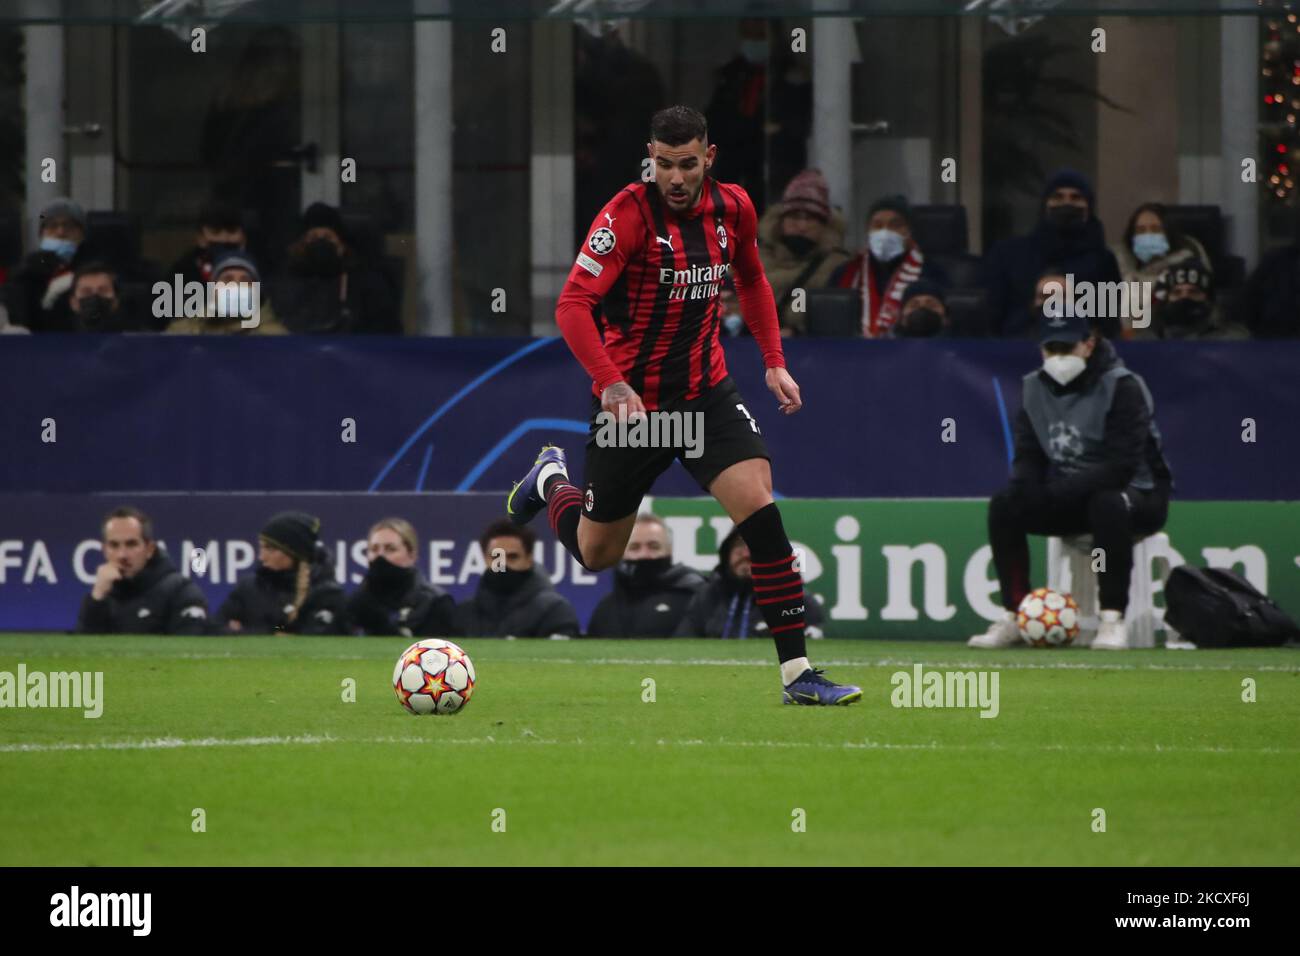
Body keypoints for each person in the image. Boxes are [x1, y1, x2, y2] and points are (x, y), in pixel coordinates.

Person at [505, 105, 859, 704]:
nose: (674, 176)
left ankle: (799, 677)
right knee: (597, 554)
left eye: (686, 164)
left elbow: (750, 278)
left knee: (762, 515)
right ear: (651, 157)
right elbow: (572, 306)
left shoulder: (736, 208)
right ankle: (552, 482)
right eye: (663, 164)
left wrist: (773, 360)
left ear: (708, 159)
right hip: (633, 408)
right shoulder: (624, 217)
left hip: (705, 396)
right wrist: (612, 383)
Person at [968, 311, 1174, 651]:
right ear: (1041, 350)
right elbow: (1029, 455)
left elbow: (1120, 466)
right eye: (1053, 349)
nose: (1060, 357)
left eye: (1068, 347)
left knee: (1107, 503)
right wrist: (1026, 489)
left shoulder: (1123, 386)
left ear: (1089, 344)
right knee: (1006, 505)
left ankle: (1112, 617)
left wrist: (1057, 492)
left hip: (1139, 494)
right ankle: (1015, 612)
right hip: (1072, 494)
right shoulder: (1034, 388)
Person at [982, 169, 1121, 338]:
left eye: (1076, 197)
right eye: (1058, 197)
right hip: (1016, 351)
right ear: (1045, 205)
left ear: (1089, 207)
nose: (1066, 204)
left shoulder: (1103, 260)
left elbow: (1109, 323)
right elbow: (993, 319)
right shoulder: (1008, 254)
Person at [77, 507, 209, 635]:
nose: (122, 555)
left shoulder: (180, 591)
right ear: (104, 550)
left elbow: (189, 649)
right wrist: (97, 598)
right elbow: (81, 653)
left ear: (149, 549)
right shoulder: (100, 597)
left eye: (131, 544)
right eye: (114, 545)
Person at [675, 525, 824, 639]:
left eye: (755, 545)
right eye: (739, 545)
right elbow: (684, 645)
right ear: (727, 553)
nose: (746, 553)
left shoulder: (796, 599)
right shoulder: (707, 595)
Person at [831, 195, 949, 338]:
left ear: (910, 232)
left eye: (895, 225)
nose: (885, 232)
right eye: (877, 225)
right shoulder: (845, 273)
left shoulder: (932, 273)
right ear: (868, 232)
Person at [273, 202, 400, 334]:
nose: (320, 243)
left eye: (328, 237)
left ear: (342, 247)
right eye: (313, 237)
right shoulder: (284, 283)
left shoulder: (368, 286)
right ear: (300, 247)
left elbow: (386, 335)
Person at [216, 512, 347, 635]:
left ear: (294, 554)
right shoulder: (248, 587)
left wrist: (244, 630)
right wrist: (269, 632)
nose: (262, 557)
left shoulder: (327, 594)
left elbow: (309, 634)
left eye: (270, 549)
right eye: (261, 547)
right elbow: (215, 627)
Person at [755, 168, 851, 335]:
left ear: (825, 226)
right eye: (794, 217)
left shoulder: (841, 267)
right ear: (780, 221)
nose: (802, 226)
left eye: (810, 218)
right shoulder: (752, 261)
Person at [453, 520, 580, 638]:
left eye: (512, 557)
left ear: (529, 558)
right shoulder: (464, 613)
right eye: (496, 557)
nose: (503, 565)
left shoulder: (555, 612)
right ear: (485, 558)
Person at [586, 514, 706, 638]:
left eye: (653, 547)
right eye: (634, 547)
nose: (644, 554)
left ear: (669, 550)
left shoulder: (694, 597)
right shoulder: (606, 608)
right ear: (621, 552)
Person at [346, 518, 457, 637]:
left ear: (412, 555)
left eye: (390, 549)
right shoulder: (355, 603)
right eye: (374, 549)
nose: (380, 557)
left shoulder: (436, 604)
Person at [4, 197, 88, 332]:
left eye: (69, 226)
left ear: (82, 234)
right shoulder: (26, 271)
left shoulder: (95, 266)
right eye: (52, 226)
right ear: (42, 234)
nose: (60, 232)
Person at [164, 250, 288, 335]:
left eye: (245, 280)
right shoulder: (183, 332)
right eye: (227, 279)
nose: (236, 285)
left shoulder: (276, 337)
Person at [1111, 201, 1211, 288]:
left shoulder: (1186, 263)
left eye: (1155, 229)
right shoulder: (1119, 261)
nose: (1148, 235)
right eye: (1141, 230)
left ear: (1168, 232)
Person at [1151, 259, 1247, 341]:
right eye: (1177, 293)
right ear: (1167, 299)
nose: (1184, 297)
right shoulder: (1148, 340)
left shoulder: (1232, 340)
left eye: (1193, 292)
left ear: (1208, 299)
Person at [168, 197, 249, 287]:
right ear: (201, 238)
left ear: (243, 238)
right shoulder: (181, 274)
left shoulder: (261, 268)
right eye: (216, 232)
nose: (224, 238)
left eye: (232, 231)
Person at [62, 261, 147, 333]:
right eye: (86, 291)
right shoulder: (57, 341)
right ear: (73, 302)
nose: (94, 297)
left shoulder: (140, 340)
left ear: (116, 300)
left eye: (103, 291)